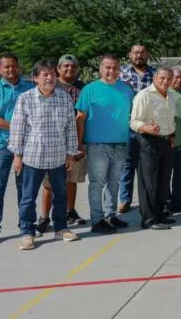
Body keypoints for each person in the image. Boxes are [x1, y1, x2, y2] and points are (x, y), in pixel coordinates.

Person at [9, 61, 81, 250]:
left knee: (61, 195)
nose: (50, 78)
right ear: (35, 78)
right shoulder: (25, 99)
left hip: (58, 157)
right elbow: (17, 128)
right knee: (28, 198)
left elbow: (70, 128)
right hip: (32, 157)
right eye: (45, 75)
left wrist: (70, 154)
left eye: (52, 74)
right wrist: (17, 155)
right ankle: (27, 233)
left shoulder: (64, 98)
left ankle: (61, 228)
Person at [75, 54, 135, 234]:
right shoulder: (89, 89)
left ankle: (111, 215)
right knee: (97, 183)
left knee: (114, 182)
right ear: (100, 69)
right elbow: (80, 117)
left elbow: (133, 114)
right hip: (97, 144)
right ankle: (97, 219)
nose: (111, 71)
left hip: (121, 143)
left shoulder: (126, 89)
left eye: (115, 67)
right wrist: (80, 143)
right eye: (108, 67)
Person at [0, 53, 36, 246]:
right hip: (2, 146)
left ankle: (26, 226)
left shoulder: (30, 87)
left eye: (13, 66)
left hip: (26, 145)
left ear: (18, 67)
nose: (11, 69)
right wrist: (17, 127)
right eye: (6, 67)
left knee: (25, 189)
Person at [37, 55, 88, 232]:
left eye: (73, 66)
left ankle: (70, 211)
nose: (69, 69)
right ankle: (44, 216)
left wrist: (81, 143)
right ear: (58, 69)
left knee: (71, 180)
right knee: (49, 183)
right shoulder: (50, 84)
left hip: (76, 141)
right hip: (53, 141)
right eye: (65, 66)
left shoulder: (83, 88)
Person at [130, 67, 178, 230]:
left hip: (166, 141)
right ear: (154, 78)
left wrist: (172, 136)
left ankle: (160, 214)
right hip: (148, 141)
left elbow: (171, 120)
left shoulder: (171, 96)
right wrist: (147, 128)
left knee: (163, 180)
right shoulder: (144, 95)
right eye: (162, 78)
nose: (165, 81)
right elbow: (134, 122)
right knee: (149, 182)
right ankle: (149, 219)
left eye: (169, 78)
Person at [118, 44, 156, 214]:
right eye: (135, 52)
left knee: (146, 166)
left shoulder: (155, 74)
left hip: (148, 127)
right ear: (130, 55)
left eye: (142, 52)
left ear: (147, 54)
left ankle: (146, 200)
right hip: (127, 125)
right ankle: (124, 199)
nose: (139, 55)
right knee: (127, 164)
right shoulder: (121, 73)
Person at [168, 66, 181, 213]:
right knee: (164, 175)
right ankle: (165, 203)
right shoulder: (164, 93)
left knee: (180, 175)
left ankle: (177, 202)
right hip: (167, 142)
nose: (179, 80)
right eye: (176, 77)